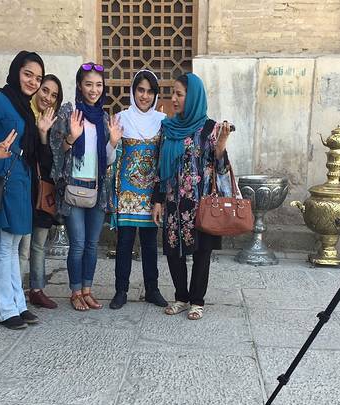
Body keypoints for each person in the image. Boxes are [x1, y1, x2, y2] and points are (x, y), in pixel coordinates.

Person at [0, 51, 55, 329]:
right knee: (4, 246)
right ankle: (4, 309)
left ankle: (18, 303)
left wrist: (42, 132)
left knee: (15, 245)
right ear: (16, 71)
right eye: (28, 74)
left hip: (21, 184)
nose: (33, 81)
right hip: (1, 182)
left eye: (38, 78)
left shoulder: (25, 108)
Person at [151, 72, 233, 320]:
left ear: (194, 96)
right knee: (173, 250)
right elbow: (159, 166)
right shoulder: (167, 128)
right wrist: (157, 200)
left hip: (201, 204)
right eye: (172, 94)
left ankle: (197, 301)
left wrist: (221, 147)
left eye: (180, 94)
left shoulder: (211, 129)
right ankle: (181, 297)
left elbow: (222, 170)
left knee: (201, 253)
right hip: (173, 203)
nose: (174, 99)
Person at [50, 62, 122, 311]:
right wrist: (71, 137)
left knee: (92, 245)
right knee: (78, 244)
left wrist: (113, 142)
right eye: (89, 84)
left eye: (98, 85)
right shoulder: (69, 112)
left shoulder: (103, 118)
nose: (94, 90)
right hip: (73, 188)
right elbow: (56, 150)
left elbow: (107, 160)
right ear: (80, 85)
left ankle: (88, 290)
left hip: (97, 189)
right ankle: (75, 291)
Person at [108, 69, 168, 310]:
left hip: (150, 196)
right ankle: (120, 291)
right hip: (126, 194)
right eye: (140, 90)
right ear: (133, 91)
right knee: (124, 243)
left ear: (155, 94)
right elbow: (112, 158)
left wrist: (160, 198)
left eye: (150, 91)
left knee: (150, 244)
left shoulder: (162, 121)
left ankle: (152, 289)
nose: (144, 96)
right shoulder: (121, 118)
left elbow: (163, 160)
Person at [18, 74, 64, 309]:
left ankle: (36, 290)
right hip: (25, 190)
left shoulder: (55, 123)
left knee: (38, 245)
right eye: (45, 90)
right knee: (23, 247)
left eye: (54, 95)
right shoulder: (24, 114)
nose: (47, 97)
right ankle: (15, 294)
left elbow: (50, 163)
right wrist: (38, 132)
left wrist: (45, 134)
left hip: (45, 192)